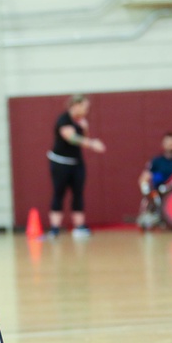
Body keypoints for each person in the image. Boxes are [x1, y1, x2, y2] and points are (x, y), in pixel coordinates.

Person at [46, 94, 105, 238]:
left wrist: (85, 129)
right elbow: (71, 138)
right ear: (75, 105)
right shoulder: (64, 119)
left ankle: (79, 226)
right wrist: (92, 143)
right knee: (59, 193)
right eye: (85, 107)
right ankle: (55, 228)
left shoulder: (80, 121)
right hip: (60, 163)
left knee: (78, 193)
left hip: (76, 162)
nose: (87, 110)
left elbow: (81, 139)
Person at [138, 132, 172, 196]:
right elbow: (144, 178)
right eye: (169, 144)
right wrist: (147, 191)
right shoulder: (156, 161)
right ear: (163, 144)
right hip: (160, 196)